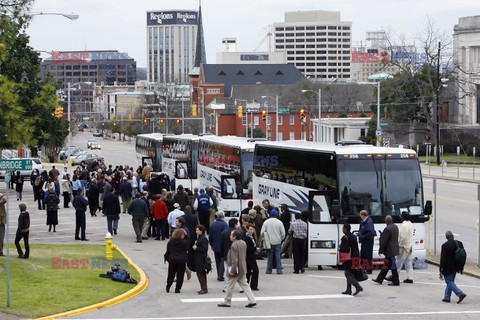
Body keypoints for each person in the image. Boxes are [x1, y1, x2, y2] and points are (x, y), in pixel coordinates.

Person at [218, 229, 257, 308]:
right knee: (245, 285)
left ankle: (227, 301)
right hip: (242, 267)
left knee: (230, 285)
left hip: (235, 269)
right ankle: (252, 300)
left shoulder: (234, 245)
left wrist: (232, 270)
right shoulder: (243, 243)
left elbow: (234, 260)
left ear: (234, 237)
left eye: (231, 235)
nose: (230, 237)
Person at [440, 231, 467, 303]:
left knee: (449, 281)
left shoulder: (445, 245)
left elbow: (443, 259)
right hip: (456, 266)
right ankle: (447, 297)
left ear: (446, 237)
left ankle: (460, 294)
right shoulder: (458, 243)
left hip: (448, 267)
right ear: (452, 236)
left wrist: (441, 269)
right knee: (451, 281)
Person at [373, 215, 399, 286]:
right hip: (394, 249)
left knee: (393, 267)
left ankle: (396, 281)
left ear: (386, 221)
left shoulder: (387, 229)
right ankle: (379, 279)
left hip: (389, 250)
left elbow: (384, 241)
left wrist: (380, 250)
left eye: (385, 220)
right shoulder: (395, 227)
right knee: (386, 265)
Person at [339, 223, 363, 296]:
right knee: (350, 272)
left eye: (343, 228)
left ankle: (358, 287)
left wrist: (340, 247)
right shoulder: (353, 236)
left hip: (348, 258)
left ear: (346, 229)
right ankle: (348, 290)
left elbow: (345, 249)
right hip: (355, 256)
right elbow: (356, 247)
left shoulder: (344, 238)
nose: (342, 230)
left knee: (348, 273)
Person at [165, 228, 191, 293]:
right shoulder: (184, 242)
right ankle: (177, 288)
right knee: (180, 275)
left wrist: (167, 258)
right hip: (181, 261)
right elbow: (189, 241)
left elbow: (168, 251)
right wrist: (186, 234)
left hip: (172, 260)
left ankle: (168, 286)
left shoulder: (171, 242)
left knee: (171, 274)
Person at [260, 209, 285, 274]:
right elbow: (283, 233)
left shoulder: (266, 222)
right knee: (278, 256)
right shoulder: (279, 222)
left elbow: (262, 232)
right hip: (277, 241)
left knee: (270, 256)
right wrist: (281, 239)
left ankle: (269, 270)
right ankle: (279, 270)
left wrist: (264, 240)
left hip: (269, 242)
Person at [209, 211, 229, 281]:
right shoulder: (225, 225)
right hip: (222, 246)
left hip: (215, 246)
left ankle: (219, 274)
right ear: (223, 216)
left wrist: (211, 244)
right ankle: (221, 275)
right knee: (222, 261)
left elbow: (210, 236)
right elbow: (226, 235)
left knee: (217, 261)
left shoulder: (213, 225)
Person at [397, 212, 414, 283]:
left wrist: (400, 244)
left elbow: (403, 237)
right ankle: (410, 278)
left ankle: (395, 277)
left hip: (404, 246)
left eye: (401, 216)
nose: (400, 217)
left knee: (398, 263)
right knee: (408, 263)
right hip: (410, 246)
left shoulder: (404, 225)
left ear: (403, 217)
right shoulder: (410, 223)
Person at [193, 224, 209, 294]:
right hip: (198, 257)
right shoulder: (200, 237)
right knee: (200, 273)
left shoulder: (203, 238)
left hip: (201, 258)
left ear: (201, 231)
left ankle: (204, 288)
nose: (196, 231)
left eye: (197, 230)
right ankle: (203, 287)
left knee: (200, 273)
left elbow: (205, 249)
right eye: (196, 230)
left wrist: (196, 248)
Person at [358, 210, 376, 274]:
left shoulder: (368, 222)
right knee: (363, 255)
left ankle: (369, 269)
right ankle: (364, 268)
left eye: (360, 215)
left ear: (363, 215)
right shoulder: (364, 221)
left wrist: (363, 236)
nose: (360, 216)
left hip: (368, 241)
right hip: (364, 241)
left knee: (368, 255)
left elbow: (370, 232)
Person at [245, 223, 259, 291]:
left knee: (249, 271)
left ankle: (248, 285)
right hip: (249, 256)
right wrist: (255, 248)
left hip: (252, 256)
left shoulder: (252, 236)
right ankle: (253, 285)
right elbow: (248, 248)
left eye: (252, 229)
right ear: (247, 229)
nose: (251, 231)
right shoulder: (247, 238)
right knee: (255, 270)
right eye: (250, 229)